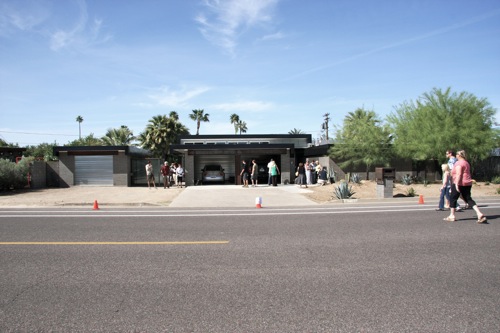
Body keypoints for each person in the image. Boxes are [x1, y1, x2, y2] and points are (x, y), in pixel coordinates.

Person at [443, 150, 487, 223]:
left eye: (457, 154)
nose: (456, 155)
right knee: (468, 199)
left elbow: (459, 174)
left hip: (459, 183)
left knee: (453, 198)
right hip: (467, 183)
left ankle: (452, 215)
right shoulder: (466, 163)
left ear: (460, 155)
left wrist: (456, 184)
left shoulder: (459, 163)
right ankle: (479, 214)